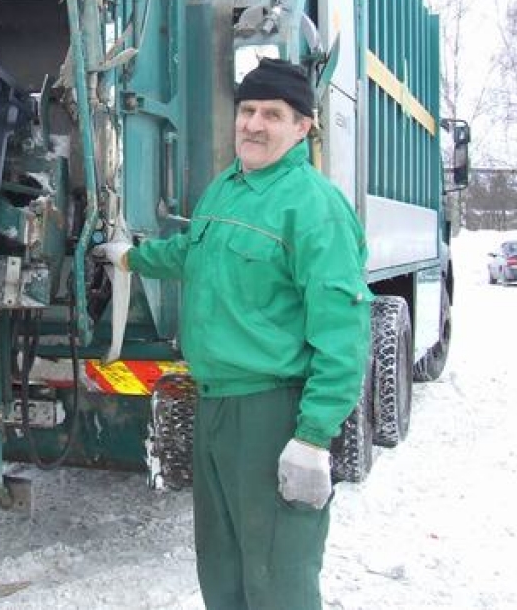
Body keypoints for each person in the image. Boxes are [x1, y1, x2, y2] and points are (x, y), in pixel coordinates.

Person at [96, 57, 371, 610]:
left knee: (277, 577)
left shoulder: (315, 208)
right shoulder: (228, 188)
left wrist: (313, 437)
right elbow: (194, 254)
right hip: (216, 405)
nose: (253, 124)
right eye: (247, 110)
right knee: (221, 568)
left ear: (303, 127)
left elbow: (343, 334)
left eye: (273, 114)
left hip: (272, 412)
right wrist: (133, 260)